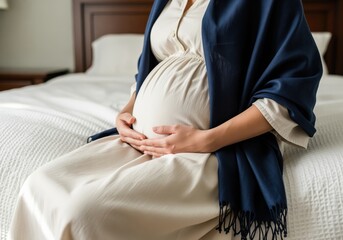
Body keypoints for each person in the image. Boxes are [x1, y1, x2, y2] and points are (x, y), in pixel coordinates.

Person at [9, 0, 322, 239]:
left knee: (83, 212)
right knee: (38, 185)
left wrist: (205, 140)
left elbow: (293, 83)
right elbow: (148, 70)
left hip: (208, 150)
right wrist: (125, 113)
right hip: (138, 141)